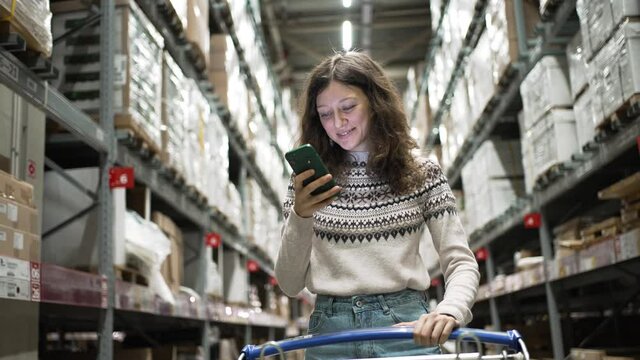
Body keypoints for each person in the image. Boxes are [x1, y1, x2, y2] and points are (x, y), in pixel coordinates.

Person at [275, 51, 480, 359]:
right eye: (325, 114)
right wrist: (300, 215)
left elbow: (460, 261)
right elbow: (289, 284)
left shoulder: (422, 174)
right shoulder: (306, 184)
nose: (338, 123)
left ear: (374, 103)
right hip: (330, 333)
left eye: (348, 107)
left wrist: (450, 311)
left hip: (406, 326)